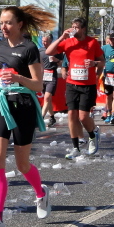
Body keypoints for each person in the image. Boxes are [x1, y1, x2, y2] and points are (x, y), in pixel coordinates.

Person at [0, 6, 55, 227]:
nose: (3, 27)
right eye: (1, 23)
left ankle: (41, 193)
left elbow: (38, 84)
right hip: (0, 104)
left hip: (22, 106)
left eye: (8, 22)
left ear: (20, 24)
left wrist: (18, 77)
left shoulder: (29, 48)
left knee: (22, 165)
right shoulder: (0, 46)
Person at [46, 17, 104, 159]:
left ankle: (93, 134)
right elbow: (49, 52)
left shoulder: (92, 42)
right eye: (72, 26)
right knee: (71, 115)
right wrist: (62, 37)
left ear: (83, 29)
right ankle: (75, 148)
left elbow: (102, 61)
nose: (73, 29)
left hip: (87, 85)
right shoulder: (68, 42)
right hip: (72, 84)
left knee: (83, 116)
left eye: (76, 27)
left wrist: (94, 63)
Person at [40, 33, 62, 127]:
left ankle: (40, 119)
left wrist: (56, 60)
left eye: (46, 41)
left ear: (50, 41)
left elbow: (62, 64)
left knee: (47, 98)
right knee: (47, 99)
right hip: (42, 77)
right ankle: (52, 117)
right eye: (43, 41)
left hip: (52, 76)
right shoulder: (40, 50)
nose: (44, 43)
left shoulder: (57, 50)